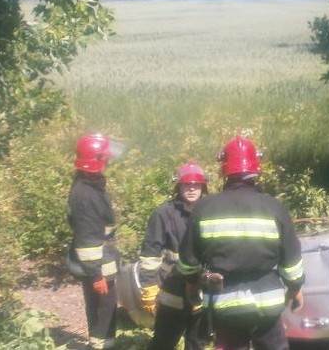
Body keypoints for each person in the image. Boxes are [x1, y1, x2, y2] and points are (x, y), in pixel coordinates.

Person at [176, 136, 305, 350]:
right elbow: (291, 260)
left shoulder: (204, 208)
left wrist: (191, 287)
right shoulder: (274, 207)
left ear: (224, 170)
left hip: (223, 303)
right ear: (256, 168)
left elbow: (189, 260)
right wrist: (295, 288)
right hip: (267, 303)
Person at [138, 161, 209, 350]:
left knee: (197, 344)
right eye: (187, 185)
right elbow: (150, 254)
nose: (192, 189)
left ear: (203, 186)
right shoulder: (163, 214)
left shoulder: (212, 211)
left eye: (197, 185)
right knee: (163, 342)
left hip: (203, 291)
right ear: (178, 186)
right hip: (173, 290)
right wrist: (149, 288)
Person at [67, 133, 124, 350]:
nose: (108, 162)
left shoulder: (89, 185)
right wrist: (96, 275)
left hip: (101, 261)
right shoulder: (85, 195)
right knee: (103, 312)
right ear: (95, 161)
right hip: (97, 265)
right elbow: (88, 239)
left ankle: (102, 344)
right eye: (104, 158)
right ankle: (100, 346)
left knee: (104, 310)